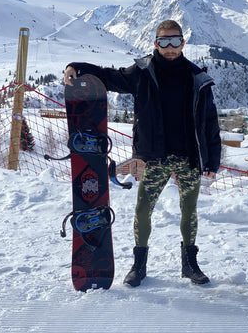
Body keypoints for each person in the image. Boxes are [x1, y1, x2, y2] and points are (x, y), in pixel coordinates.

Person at [64, 19, 221, 286]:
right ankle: (139, 265)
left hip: (189, 158)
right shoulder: (142, 73)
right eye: (163, 41)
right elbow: (109, 76)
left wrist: (212, 160)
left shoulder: (197, 78)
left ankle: (190, 264)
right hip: (154, 156)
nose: (169, 47)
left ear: (183, 42)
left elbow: (210, 123)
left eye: (174, 41)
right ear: (155, 43)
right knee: (143, 210)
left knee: (189, 212)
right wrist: (76, 67)